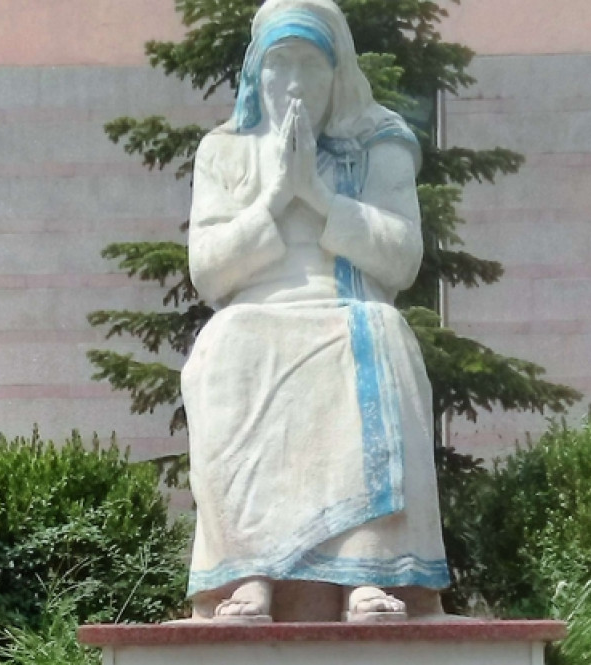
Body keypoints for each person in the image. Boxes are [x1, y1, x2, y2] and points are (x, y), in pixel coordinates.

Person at [182, 0, 449, 623]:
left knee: (382, 330)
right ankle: (250, 575)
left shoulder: (378, 145)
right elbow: (209, 271)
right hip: (255, 316)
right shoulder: (224, 151)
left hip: (347, 308)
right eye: (281, 67)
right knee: (226, 343)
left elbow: (401, 260)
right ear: (257, 76)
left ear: (338, 76)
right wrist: (277, 198)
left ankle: (367, 571)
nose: (295, 84)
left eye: (311, 66)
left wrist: (322, 199)